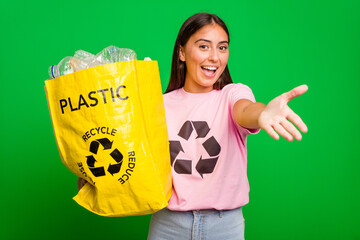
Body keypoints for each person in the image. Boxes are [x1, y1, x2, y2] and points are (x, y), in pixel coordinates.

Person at [147, 13, 308, 240]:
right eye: (204, 46)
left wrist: (262, 113)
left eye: (222, 48)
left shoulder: (233, 94)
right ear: (182, 52)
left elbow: (244, 111)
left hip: (224, 226)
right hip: (169, 224)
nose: (214, 57)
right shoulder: (159, 104)